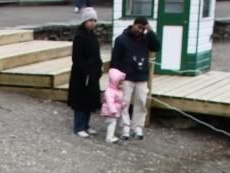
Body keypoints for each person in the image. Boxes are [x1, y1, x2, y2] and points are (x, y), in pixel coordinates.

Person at [110, 17, 161, 140]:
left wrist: (150, 31)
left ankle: (137, 126)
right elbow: (115, 60)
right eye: (139, 27)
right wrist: (116, 77)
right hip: (126, 76)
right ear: (133, 25)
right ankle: (125, 127)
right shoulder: (121, 39)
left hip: (142, 76)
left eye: (143, 28)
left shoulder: (146, 38)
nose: (140, 30)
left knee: (141, 102)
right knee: (124, 103)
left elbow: (156, 47)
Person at [67, 7, 102, 138]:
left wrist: (99, 68)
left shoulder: (93, 36)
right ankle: (79, 126)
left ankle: (86, 125)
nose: (92, 23)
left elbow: (96, 54)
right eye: (90, 20)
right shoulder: (80, 37)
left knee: (89, 100)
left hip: (92, 73)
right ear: (84, 21)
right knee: (80, 101)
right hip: (81, 75)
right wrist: (85, 72)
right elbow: (77, 58)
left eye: (94, 20)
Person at [100, 68, 126, 143]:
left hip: (114, 111)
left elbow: (118, 100)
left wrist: (122, 103)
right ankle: (109, 138)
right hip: (110, 111)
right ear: (115, 82)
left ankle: (110, 135)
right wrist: (113, 110)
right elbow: (110, 102)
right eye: (120, 83)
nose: (122, 85)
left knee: (113, 123)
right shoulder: (110, 91)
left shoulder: (117, 90)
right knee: (112, 123)